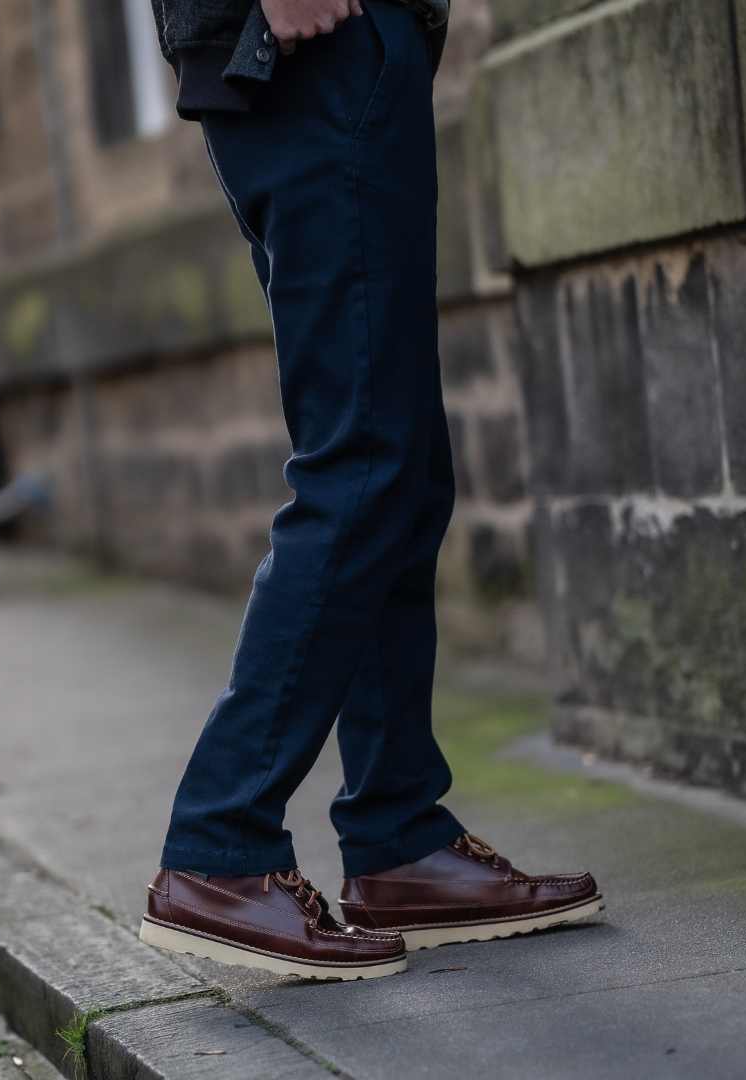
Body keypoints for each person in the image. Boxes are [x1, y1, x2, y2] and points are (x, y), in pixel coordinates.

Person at [139, 0, 601, 981]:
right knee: (361, 467)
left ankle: (399, 838)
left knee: (398, 467)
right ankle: (222, 845)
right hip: (311, 47)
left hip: (340, 52)